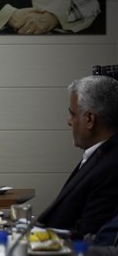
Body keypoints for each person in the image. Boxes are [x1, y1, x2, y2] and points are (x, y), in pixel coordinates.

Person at [37, 75, 118, 239]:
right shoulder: (100, 154)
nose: (69, 122)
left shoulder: (111, 165)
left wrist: (37, 235)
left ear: (89, 119)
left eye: (72, 114)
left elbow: (88, 233)